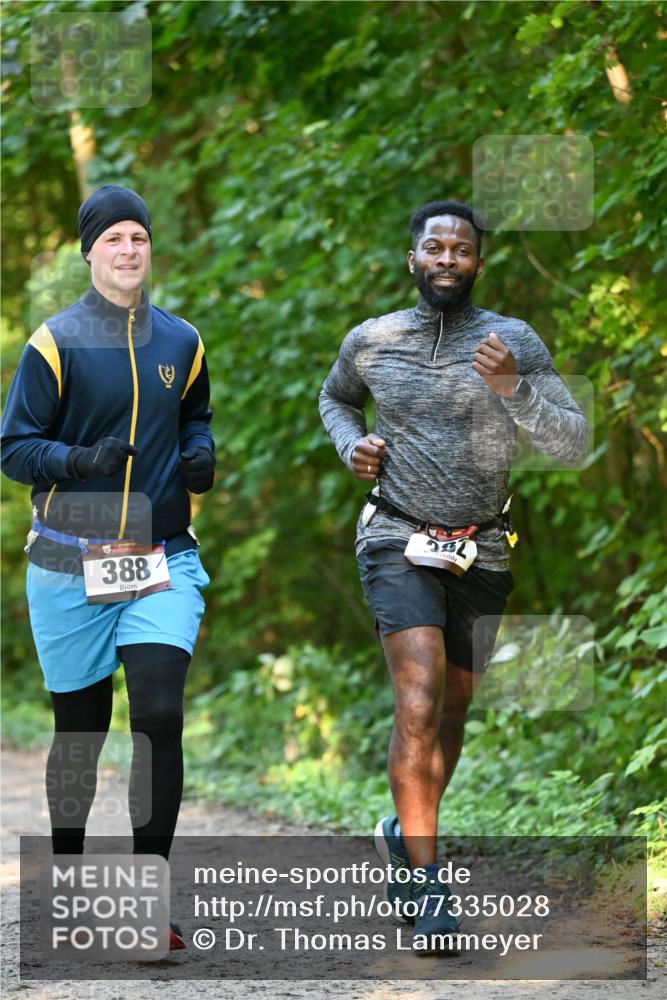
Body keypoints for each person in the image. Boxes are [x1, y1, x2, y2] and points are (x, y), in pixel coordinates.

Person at [319, 199, 588, 950]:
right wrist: (352, 447)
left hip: (483, 548)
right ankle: (430, 891)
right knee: (418, 693)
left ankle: (402, 835)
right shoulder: (373, 340)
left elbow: (570, 443)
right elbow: (335, 399)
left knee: (453, 711)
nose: (446, 259)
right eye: (432, 247)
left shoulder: (513, 342)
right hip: (394, 534)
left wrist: (514, 390)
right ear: (411, 259)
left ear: (477, 262)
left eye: (460, 249)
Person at [1, 184, 216, 951]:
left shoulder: (181, 341)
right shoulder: (53, 343)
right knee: (80, 736)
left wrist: (200, 454)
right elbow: (12, 448)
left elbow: (195, 414)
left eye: (139, 237)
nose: (129, 249)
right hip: (69, 561)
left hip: (160, 558)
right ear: (89, 251)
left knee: (159, 715)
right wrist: (76, 459)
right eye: (114, 238)